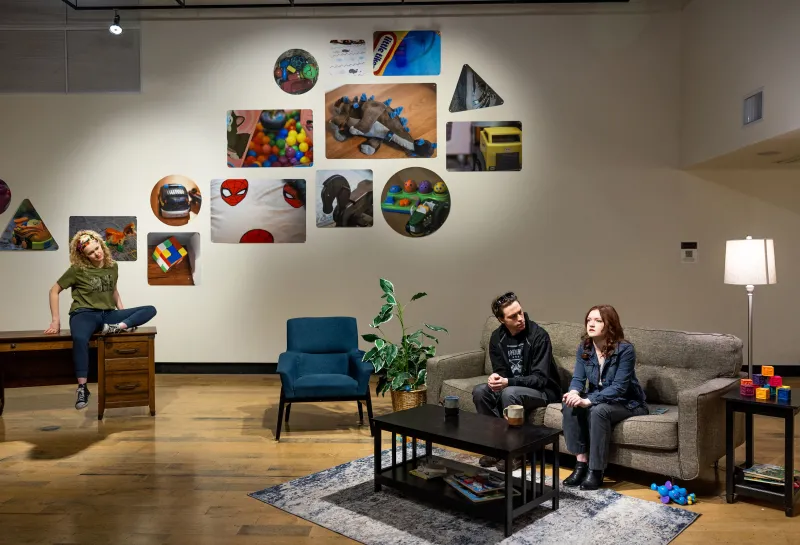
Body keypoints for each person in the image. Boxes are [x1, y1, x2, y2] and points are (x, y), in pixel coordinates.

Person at [44, 230, 157, 410]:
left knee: (150, 310)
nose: (97, 253)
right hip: (84, 314)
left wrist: (125, 314)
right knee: (80, 339)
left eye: (97, 248)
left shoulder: (112, 267)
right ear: (83, 255)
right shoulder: (77, 270)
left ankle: (118, 327)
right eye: (90, 252)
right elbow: (54, 291)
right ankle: (82, 387)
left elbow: (113, 291)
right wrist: (55, 321)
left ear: (100, 243)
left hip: (108, 315)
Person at [561, 304, 648, 490]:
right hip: (598, 396)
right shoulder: (584, 347)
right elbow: (578, 378)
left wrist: (588, 400)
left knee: (598, 411)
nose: (591, 324)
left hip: (627, 401)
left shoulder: (625, 350)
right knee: (569, 403)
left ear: (609, 325)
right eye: (589, 320)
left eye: (598, 320)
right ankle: (581, 464)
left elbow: (619, 388)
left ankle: (596, 470)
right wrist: (574, 393)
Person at [472, 291, 563, 471]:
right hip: (514, 388)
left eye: (520, 312)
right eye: (513, 316)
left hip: (544, 391)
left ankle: (516, 453)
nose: (520, 318)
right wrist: (495, 378)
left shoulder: (538, 335)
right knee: (480, 391)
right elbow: (501, 372)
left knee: (509, 392)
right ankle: (496, 447)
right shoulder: (497, 338)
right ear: (501, 320)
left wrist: (507, 383)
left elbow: (540, 379)